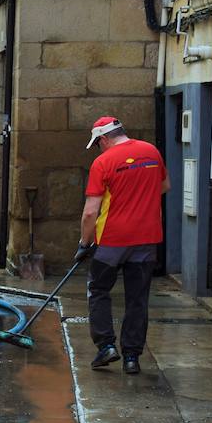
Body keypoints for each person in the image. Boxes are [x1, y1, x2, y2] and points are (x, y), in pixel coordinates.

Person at [77, 116, 170, 376]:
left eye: (98, 144)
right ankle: (132, 357)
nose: (99, 148)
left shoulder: (103, 162)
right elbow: (164, 186)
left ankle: (106, 346)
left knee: (98, 290)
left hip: (111, 241)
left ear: (104, 139)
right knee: (137, 299)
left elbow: (89, 213)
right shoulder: (151, 151)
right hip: (147, 239)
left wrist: (85, 243)